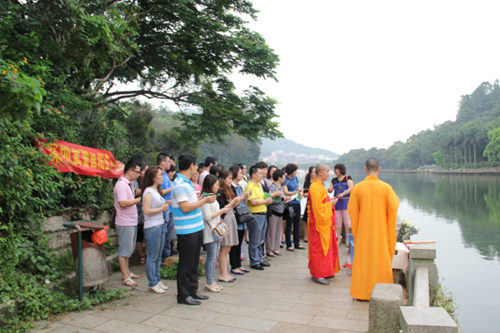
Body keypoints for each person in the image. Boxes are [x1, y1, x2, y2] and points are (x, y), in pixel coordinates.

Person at [348, 158, 399, 300]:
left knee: (363, 260)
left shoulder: (358, 188)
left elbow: (351, 210)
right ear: (379, 169)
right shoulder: (386, 188)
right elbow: (394, 207)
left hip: (363, 231)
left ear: (365, 169)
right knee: (380, 259)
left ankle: (361, 292)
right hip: (381, 231)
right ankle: (382, 291)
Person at [171, 154, 216, 305]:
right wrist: (204, 200)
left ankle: (192, 290)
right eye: (196, 165)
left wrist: (202, 198)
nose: (197, 168)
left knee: (194, 262)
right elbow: (184, 207)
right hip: (186, 230)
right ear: (191, 165)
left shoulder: (188, 183)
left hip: (196, 227)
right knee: (185, 264)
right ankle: (183, 295)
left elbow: (191, 203)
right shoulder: (179, 183)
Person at [307, 163, 340, 285]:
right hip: (318, 225)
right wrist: (330, 205)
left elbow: (322, 203)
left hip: (326, 224)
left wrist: (329, 201)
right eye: (327, 171)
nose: (329, 173)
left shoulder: (320, 185)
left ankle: (326, 271)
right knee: (319, 249)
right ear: (320, 173)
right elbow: (317, 210)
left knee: (326, 248)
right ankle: (318, 274)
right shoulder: (315, 187)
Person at [141, 166, 170, 294]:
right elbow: (146, 211)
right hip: (152, 227)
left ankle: (157, 280)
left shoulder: (156, 191)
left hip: (160, 224)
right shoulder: (148, 192)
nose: (162, 177)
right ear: (153, 177)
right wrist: (161, 209)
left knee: (158, 256)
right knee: (152, 256)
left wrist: (165, 205)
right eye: (159, 174)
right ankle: (152, 282)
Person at [113, 160, 142, 286]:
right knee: (124, 250)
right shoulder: (121, 185)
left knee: (128, 249)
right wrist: (139, 200)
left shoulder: (128, 184)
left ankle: (128, 272)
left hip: (131, 221)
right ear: (130, 171)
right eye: (137, 172)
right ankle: (125, 276)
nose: (139, 175)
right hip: (124, 222)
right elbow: (122, 203)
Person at [216, 169, 246, 282]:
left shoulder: (230, 189)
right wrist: (234, 202)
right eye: (228, 178)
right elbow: (223, 207)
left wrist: (238, 200)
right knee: (225, 247)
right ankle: (223, 273)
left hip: (231, 217)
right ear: (222, 179)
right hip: (225, 219)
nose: (230, 181)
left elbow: (233, 205)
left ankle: (225, 272)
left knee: (228, 247)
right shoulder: (220, 191)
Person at [200, 175, 228, 293]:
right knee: (211, 258)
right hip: (210, 231)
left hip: (216, 229)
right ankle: (209, 281)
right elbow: (206, 216)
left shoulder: (212, 197)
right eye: (216, 185)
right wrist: (221, 211)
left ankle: (212, 281)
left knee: (213, 256)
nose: (217, 187)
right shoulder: (205, 198)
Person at [245, 165, 273, 270]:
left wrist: (267, 199)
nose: (262, 175)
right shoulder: (250, 186)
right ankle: (254, 261)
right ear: (254, 174)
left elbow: (260, 198)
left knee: (261, 240)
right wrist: (266, 201)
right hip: (255, 215)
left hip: (263, 214)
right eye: (260, 173)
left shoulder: (259, 185)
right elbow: (252, 202)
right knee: (255, 240)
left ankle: (260, 259)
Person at [228, 165, 251, 275]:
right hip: (235, 217)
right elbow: (233, 203)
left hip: (242, 216)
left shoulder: (239, 186)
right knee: (234, 244)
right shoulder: (231, 187)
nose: (242, 175)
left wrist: (244, 196)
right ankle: (234, 266)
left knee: (240, 241)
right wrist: (243, 196)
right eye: (240, 173)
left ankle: (238, 265)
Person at [328, 163, 354, 245]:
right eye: (335, 169)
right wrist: (329, 189)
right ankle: (338, 238)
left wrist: (343, 194)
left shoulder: (347, 178)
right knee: (337, 222)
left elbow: (351, 188)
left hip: (346, 202)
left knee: (347, 222)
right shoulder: (334, 180)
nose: (336, 171)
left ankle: (347, 239)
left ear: (341, 170)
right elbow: (331, 189)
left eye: (337, 169)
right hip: (337, 202)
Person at [266, 169, 289, 256]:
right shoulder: (272, 187)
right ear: (279, 177)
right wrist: (283, 199)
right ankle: (269, 249)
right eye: (283, 176)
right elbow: (271, 199)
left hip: (280, 212)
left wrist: (285, 199)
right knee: (271, 231)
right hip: (274, 212)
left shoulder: (280, 187)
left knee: (278, 231)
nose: (285, 178)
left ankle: (275, 248)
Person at [282, 163, 304, 251]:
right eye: (295, 170)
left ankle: (297, 243)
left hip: (297, 202)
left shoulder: (295, 178)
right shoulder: (285, 179)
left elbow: (298, 188)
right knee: (289, 223)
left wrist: (301, 193)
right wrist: (295, 193)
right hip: (290, 203)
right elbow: (286, 192)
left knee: (297, 223)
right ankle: (288, 244)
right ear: (291, 171)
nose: (296, 172)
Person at [157, 153, 174, 263]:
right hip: (163, 209)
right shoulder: (158, 175)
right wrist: (172, 188)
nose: (170, 163)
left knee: (168, 238)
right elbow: (160, 192)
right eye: (168, 161)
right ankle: (162, 260)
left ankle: (166, 260)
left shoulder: (166, 175)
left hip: (170, 208)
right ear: (162, 162)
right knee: (163, 238)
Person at [132, 162, 148, 264]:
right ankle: (141, 254)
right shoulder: (134, 182)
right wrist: (146, 190)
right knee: (139, 236)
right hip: (137, 212)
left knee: (147, 235)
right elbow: (133, 192)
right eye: (144, 170)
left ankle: (146, 254)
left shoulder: (147, 181)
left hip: (146, 213)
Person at [301, 166, 316, 243]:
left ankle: (314, 236)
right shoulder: (307, 182)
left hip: (317, 203)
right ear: (310, 173)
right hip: (309, 203)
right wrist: (312, 193)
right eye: (313, 172)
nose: (315, 173)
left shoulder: (319, 182)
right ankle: (306, 235)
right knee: (306, 219)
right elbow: (304, 194)